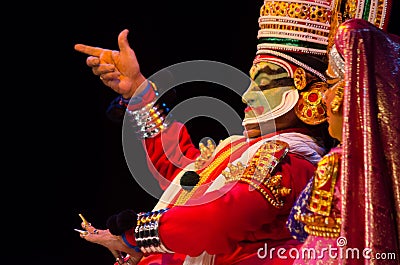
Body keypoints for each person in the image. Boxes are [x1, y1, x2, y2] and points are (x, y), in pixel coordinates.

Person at [74, 1, 342, 264]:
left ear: (311, 97)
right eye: (252, 83)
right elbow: (183, 176)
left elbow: (218, 220)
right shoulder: (241, 149)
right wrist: (139, 93)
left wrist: (136, 235)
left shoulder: (292, 161)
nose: (247, 96)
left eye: (264, 85)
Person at [286, 15, 400, 264]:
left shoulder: (339, 165)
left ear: (355, 89)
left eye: (331, 84)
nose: (323, 97)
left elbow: (303, 233)